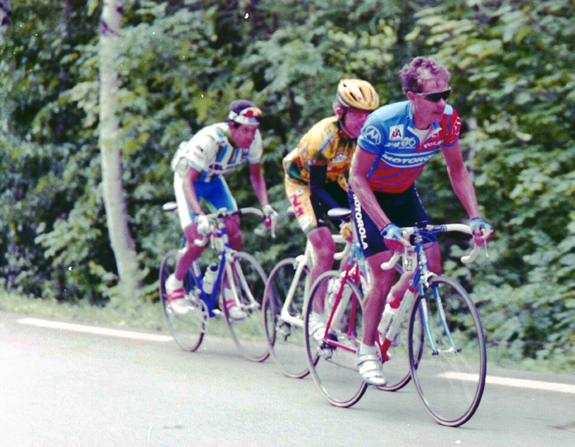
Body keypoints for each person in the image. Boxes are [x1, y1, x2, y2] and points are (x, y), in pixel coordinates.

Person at [348, 56, 493, 386]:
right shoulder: (383, 123)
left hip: (402, 193)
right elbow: (357, 178)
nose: (442, 102)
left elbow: (456, 170)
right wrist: (385, 226)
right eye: (434, 97)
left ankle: (392, 310)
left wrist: (476, 217)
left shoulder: (448, 120)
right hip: (368, 195)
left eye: (446, 94)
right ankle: (367, 351)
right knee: (382, 274)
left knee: (431, 264)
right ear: (412, 97)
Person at [283, 79, 380, 340]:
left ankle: (338, 285)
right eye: (358, 114)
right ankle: (314, 316)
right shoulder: (322, 137)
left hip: (336, 180)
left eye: (369, 114)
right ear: (341, 112)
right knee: (325, 247)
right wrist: (344, 220)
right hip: (304, 184)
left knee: (364, 234)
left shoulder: (366, 136)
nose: (364, 120)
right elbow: (317, 188)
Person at [166, 99, 278, 317]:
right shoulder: (209, 140)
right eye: (246, 130)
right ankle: (175, 283)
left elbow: (256, 176)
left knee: (235, 232)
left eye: (254, 131)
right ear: (232, 127)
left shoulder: (253, 141)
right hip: (189, 182)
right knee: (197, 239)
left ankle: (229, 294)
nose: (251, 136)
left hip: (214, 182)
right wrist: (199, 214)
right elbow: (188, 181)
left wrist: (266, 207)